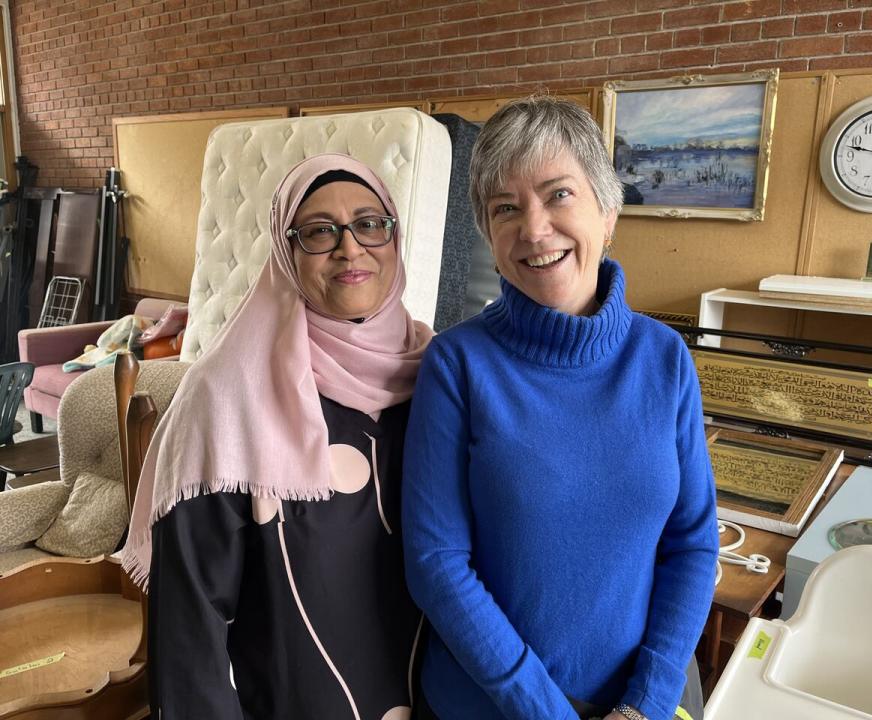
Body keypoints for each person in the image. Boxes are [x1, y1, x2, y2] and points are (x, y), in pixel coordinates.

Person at [402, 97, 719, 720]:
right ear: (488, 237)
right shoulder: (458, 365)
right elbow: (436, 563)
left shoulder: (664, 358)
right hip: (491, 705)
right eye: (505, 208)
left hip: (644, 702)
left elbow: (692, 543)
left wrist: (645, 703)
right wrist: (544, 708)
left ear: (608, 211)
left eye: (559, 195)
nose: (534, 228)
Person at [122, 153, 433, 719]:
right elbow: (191, 629)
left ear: (394, 236)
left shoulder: (440, 374)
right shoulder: (227, 397)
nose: (349, 247)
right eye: (318, 232)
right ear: (286, 253)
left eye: (369, 223)